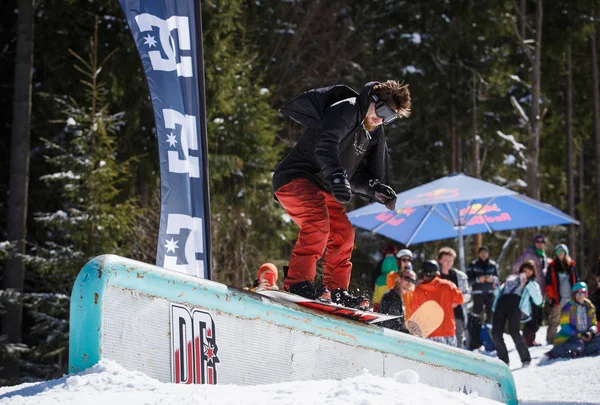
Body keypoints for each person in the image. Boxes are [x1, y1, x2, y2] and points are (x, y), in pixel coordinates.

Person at [272, 81, 411, 308]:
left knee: (344, 234)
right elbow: (326, 145)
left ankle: (337, 290)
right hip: (296, 177)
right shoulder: (346, 109)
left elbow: (353, 176)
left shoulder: (367, 135)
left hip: (322, 186)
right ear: (372, 100)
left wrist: (374, 188)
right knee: (318, 222)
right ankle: (297, 282)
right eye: (383, 111)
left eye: (390, 118)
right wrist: (336, 176)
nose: (382, 120)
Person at [491, 260, 543, 366]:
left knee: (514, 332)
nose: (527, 273)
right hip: (501, 303)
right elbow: (500, 292)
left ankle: (525, 359)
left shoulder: (532, 284)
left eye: (530, 272)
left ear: (533, 273)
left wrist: (527, 284)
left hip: (515, 305)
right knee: (496, 333)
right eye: (525, 271)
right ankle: (504, 361)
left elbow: (539, 300)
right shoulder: (511, 278)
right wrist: (495, 288)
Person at [411, 260, 464, 346]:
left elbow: (414, 311)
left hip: (429, 334)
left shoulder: (417, 291)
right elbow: (460, 299)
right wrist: (446, 305)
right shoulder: (448, 285)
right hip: (448, 333)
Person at [546, 282, 600, 359]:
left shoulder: (590, 307)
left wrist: (590, 332)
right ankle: (556, 352)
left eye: (582, 292)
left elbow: (593, 324)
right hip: (570, 337)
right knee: (578, 344)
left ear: (586, 293)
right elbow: (565, 326)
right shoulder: (568, 307)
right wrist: (579, 335)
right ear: (574, 294)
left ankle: (581, 351)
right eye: (577, 293)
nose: (580, 295)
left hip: (585, 337)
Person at [513, 234, 547, 346]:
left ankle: (530, 338)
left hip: (539, 289)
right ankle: (527, 339)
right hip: (529, 290)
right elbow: (517, 268)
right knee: (532, 316)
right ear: (534, 242)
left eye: (542, 241)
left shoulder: (542, 255)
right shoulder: (528, 254)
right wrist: (523, 280)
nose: (540, 243)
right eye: (538, 241)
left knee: (538, 316)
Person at [437, 247, 471, 349]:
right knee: (442, 342)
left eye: (450, 260)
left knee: (459, 340)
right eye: (446, 260)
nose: (448, 263)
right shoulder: (435, 277)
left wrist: (457, 302)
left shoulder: (460, 276)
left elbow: (467, 294)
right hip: (440, 315)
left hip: (457, 313)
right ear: (440, 260)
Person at [545, 244, 579, 344]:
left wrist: (577, 293)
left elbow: (576, 280)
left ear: (566, 253)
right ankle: (550, 339)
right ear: (555, 253)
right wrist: (551, 296)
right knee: (555, 320)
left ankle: (572, 337)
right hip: (558, 298)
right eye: (558, 251)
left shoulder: (571, 266)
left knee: (571, 319)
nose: (560, 253)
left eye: (562, 251)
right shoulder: (552, 266)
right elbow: (548, 282)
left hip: (570, 297)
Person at [467, 246, 498, 350]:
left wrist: (492, 279)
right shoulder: (473, 265)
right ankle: (475, 341)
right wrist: (478, 279)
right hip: (478, 294)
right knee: (476, 317)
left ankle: (490, 340)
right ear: (479, 254)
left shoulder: (493, 265)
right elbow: (468, 280)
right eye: (482, 252)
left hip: (490, 294)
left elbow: (497, 280)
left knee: (491, 316)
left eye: (486, 252)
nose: (484, 254)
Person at [378, 268, 418, 334]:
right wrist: (411, 332)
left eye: (413, 281)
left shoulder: (398, 297)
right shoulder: (392, 297)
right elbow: (393, 325)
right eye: (407, 278)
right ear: (399, 279)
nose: (410, 282)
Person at [372, 244, 399, 312]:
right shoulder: (393, 260)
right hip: (389, 283)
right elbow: (394, 270)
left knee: (377, 302)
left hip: (379, 282)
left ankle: (376, 310)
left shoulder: (382, 261)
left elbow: (375, 273)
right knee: (386, 302)